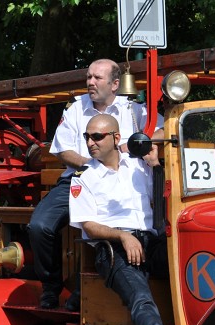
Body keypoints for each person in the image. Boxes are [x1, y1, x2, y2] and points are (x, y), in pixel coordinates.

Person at [28, 58, 163, 310]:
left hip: (120, 181)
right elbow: (62, 149)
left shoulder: (132, 108)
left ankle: (84, 290)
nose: (90, 82)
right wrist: (90, 166)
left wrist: (129, 145)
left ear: (115, 84)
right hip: (79, 179)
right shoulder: (76, 108)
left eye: (97, 78)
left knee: (116, 224)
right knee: (39, 226)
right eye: (88, 77)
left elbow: (164, 130)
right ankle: (50, 287)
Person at [68, 114, 179, 325]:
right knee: (140, 298)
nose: (90, 142)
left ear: (116, 138)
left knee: (193, 264)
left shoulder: (139, 165)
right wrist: (123, 236)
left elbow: (164, 201)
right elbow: (88, 225)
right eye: (87, 137)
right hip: (113, 249)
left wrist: (156, 166)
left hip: (152, 242)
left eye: (97, 137)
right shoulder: (84, 177)